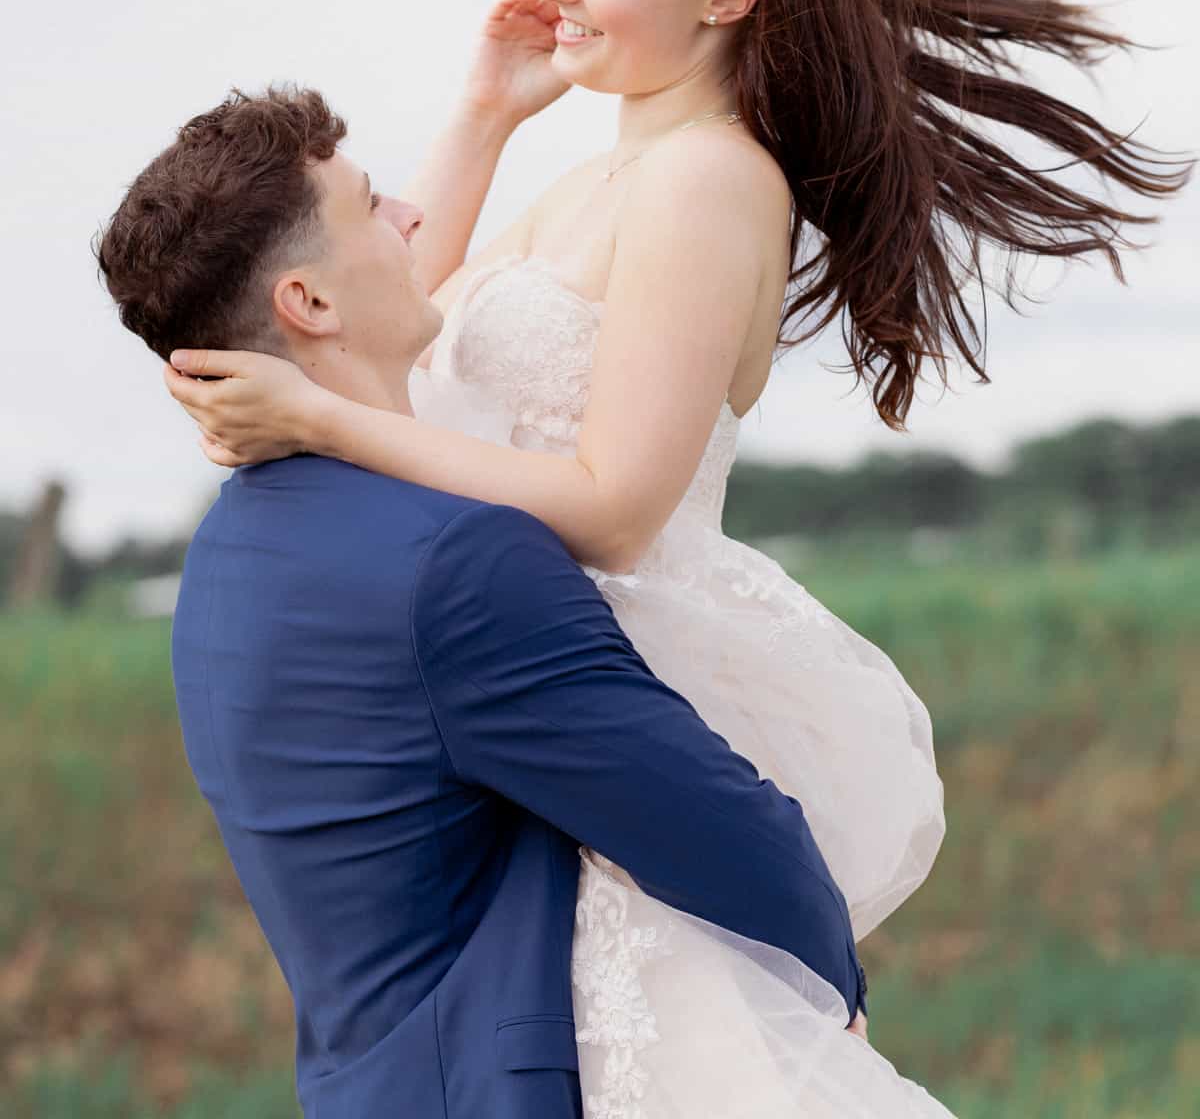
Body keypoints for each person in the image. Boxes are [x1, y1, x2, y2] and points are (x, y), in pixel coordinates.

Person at [160, 0, 1189, 1116]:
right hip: (513, 725)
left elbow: (618, 506)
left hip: (605, 710)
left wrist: (322, 422)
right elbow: (403, 327)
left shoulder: (709, 181)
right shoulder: (588, 175)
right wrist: (484, 110)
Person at [95, 87, 895, 1119]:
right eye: (374, 204)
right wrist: (832, 981)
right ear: (310, 303)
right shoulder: (458, 562)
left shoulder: (230, 552)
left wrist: (486, 103)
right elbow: (710, 818)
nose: (412, 219)